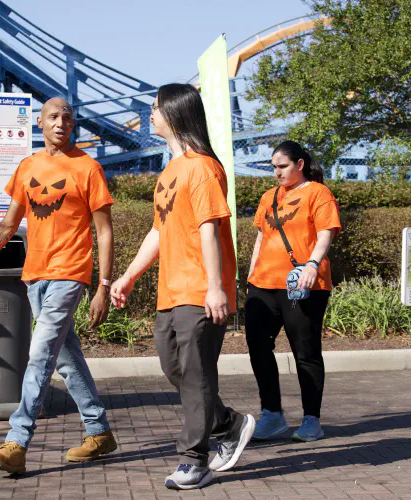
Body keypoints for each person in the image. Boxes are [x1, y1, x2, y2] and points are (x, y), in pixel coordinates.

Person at [0, 97, 118, 475]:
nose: (62, 122)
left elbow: (104, 231)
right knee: (65, 355)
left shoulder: (88, 168)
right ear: (39, 122)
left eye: (68, 118)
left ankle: (17, 441)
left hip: (70, 273)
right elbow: (8, 225)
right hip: (35, 276)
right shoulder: (28, 166)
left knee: (40, 355)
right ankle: (99, 431)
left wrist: (103, 285)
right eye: (54, 117)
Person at [110, 83, 255, 490]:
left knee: (194, 372)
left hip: (199, 289)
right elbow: (158, 231)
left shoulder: (203, 168)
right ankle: (227, 423)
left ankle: (195, 460)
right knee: (174, 368)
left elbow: (209, 229)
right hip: (169, 291)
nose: (150, 115)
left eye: (155, 108)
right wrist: (128, 275)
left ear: (173, 114)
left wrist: (215, 287)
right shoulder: (169, 172)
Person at [245, 141, 341, 442]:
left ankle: (312, 419)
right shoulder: (269, 196)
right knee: (258, 346)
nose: (277, 172)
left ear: (300, 164)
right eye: (274, 167)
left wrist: (314, 264)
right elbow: (261, 237)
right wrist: (250, 274)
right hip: (263, 283)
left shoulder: (318, 193)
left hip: (302, 283)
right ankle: (272, 414)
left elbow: (326, 232)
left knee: (306, 352)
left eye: (283, 166)